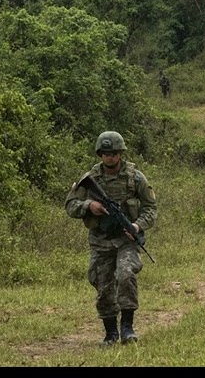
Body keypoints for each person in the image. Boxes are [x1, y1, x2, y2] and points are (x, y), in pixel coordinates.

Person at [65, 131, 159, 346]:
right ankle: (110, 333)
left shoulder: (135, 177)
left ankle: (127, 327)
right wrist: (90, 206)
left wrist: (136, 225)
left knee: (126, 275)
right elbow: (70, 205)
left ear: (120, 154)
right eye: (105, 153)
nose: (110, 157)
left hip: (126, 239)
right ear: (100, 154)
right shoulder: (90, 179)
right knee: (102, 284)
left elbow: (151, 208)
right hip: (100, 240)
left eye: (114, 153)